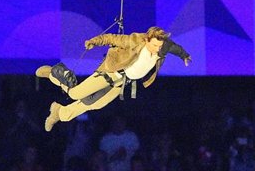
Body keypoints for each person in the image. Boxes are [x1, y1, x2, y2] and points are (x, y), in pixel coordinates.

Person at [36, 26, 191, 131]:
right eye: (155, 45)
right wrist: (94, 42)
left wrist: (184, 56)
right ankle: (53, 73)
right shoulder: (135, 40)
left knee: (94, 104)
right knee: (75, 94)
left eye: (160, 46)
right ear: (146, 40)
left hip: (120, 83)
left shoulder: (163, 46)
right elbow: (111, 38)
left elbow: (174, 47)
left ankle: (60, 112)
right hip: (109, 73)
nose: (158, 49)